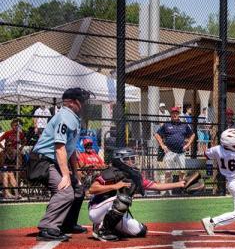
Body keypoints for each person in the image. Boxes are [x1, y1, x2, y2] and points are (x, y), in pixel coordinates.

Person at [29, 87, 92, 241]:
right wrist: (65, 175)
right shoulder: (65, 116)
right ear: (75, 102)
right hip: (42, 161)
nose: (86, 105)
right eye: (84, 101)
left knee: (78, 189)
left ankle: (67, 224)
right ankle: (47, 228)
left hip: (52, 161)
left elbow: (70, 152)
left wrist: (75, 175)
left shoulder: (73, 118)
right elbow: (59, 147)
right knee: (65, 191)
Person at [88, 148, 186, 241]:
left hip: (115, 210)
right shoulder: (111, 172)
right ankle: (102, 231)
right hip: (96, 210)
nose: (132, 161)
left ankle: (108, 226)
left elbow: (156, 186)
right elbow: (92, 189)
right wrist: (115, 186)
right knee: (123, 199)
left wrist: (180, 184)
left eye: (132, 158)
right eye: (128, 159)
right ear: (120, 160)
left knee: (140, 231)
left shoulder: (134, 176)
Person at [154, 106, 195, 191]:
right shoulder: (166, 125)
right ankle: (168, 191)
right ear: (171, 115)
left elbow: (192, 135)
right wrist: (162, 145)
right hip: (170, 152)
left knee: (182, 172)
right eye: (173, 113)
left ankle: (181, 190)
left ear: (179, 114)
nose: (174, 115)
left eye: (176, 113)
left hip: (181, 152)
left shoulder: (184, 125)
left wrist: (188, 145)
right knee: (168, 172)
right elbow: (157, 135)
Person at [0, 119, 25, 199]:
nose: (17, 127)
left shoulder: (20, 134)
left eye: (18, 125)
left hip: (15, 154)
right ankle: (7, 193)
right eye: (15, 125)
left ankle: (16, 193)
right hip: (7, 155)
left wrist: (20, 148)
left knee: (11, 173)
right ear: (12, 126)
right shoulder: (8, 133)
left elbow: (24, 141)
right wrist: (3, 148)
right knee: (6, 173)